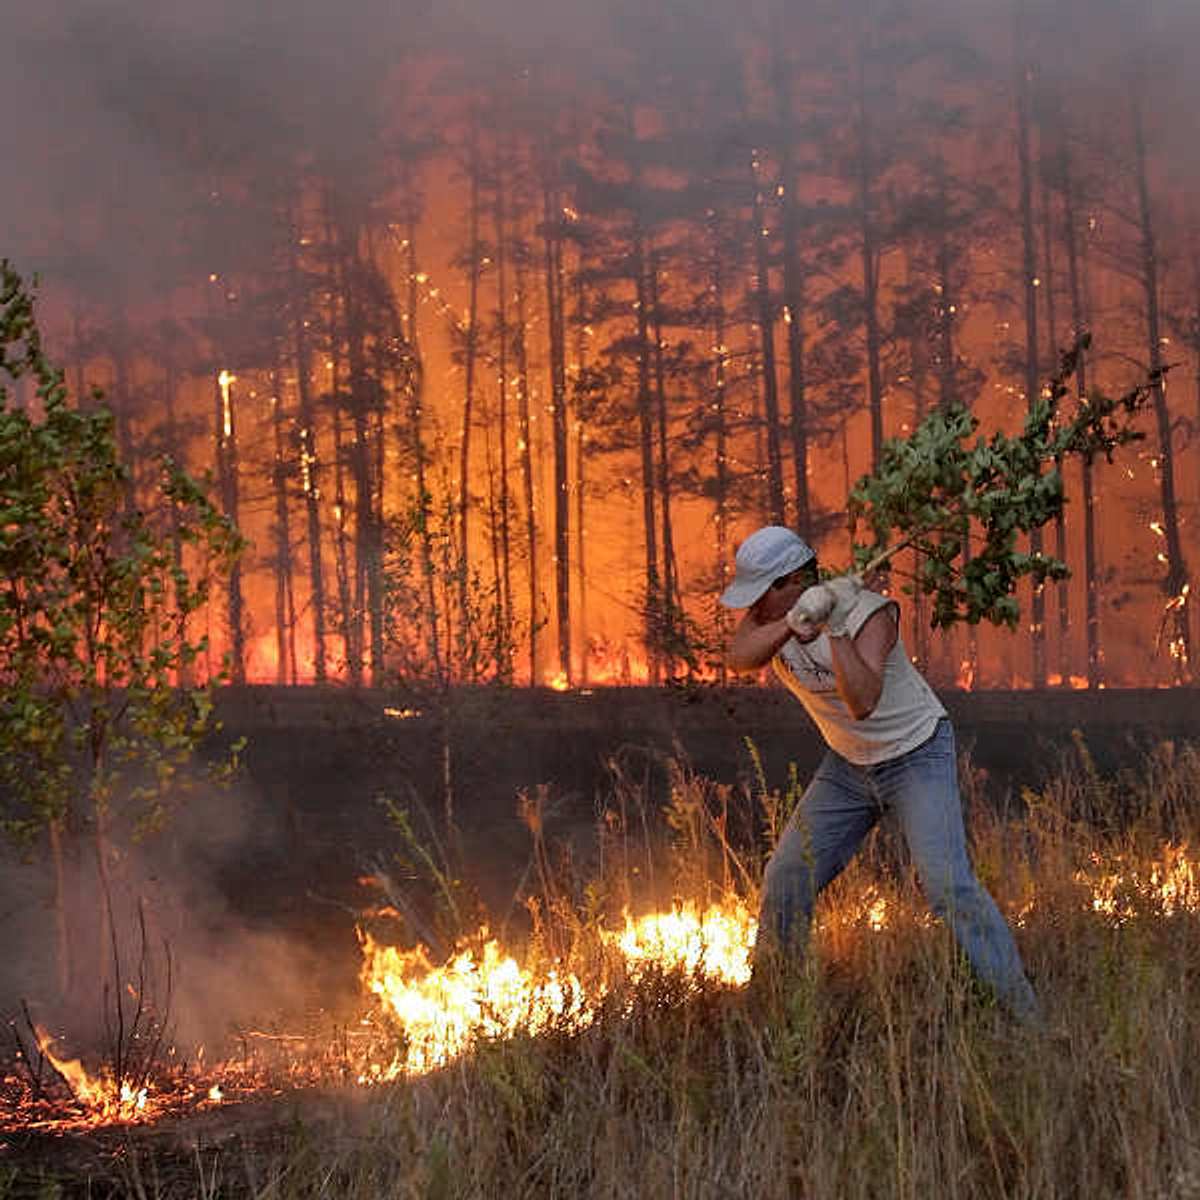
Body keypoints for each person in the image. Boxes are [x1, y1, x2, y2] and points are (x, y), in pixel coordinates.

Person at [720, 525, 1038, 1021]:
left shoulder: (872, 614)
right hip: (847, 765)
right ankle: (771, 1012)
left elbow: (862, 701)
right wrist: (791, 623)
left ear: (796, 578)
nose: (754, 606)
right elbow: (739, 658)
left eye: (764, 593)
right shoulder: (771, 618)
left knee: (947, 886)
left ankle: (1024, 1016)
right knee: (786, 876)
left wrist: (835, 627)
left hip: (916, 753)